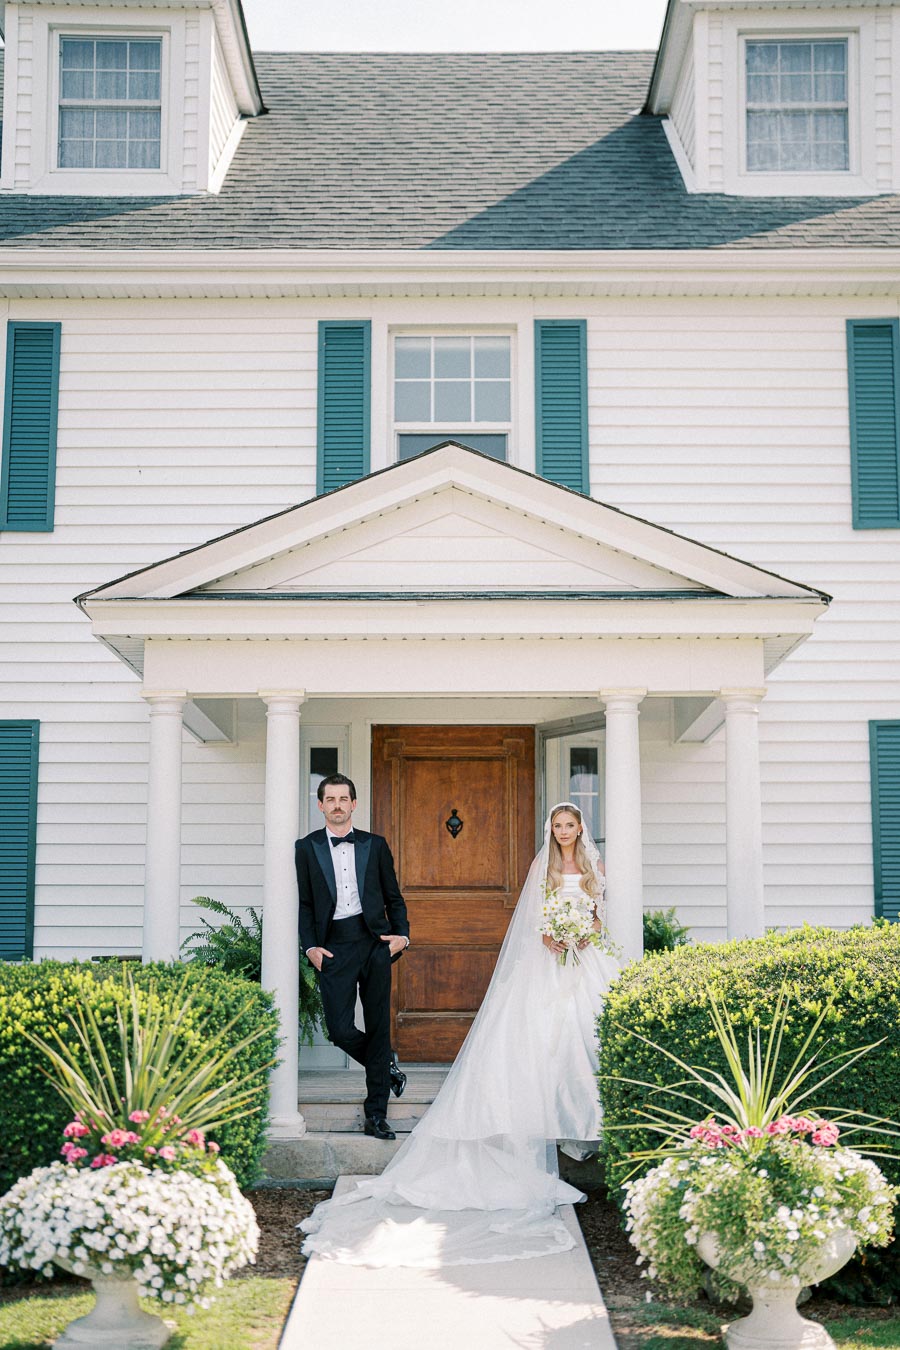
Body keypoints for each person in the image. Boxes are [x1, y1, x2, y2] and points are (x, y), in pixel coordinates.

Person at [300, 801, 620, 1267]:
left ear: (580, 828)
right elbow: (534, 914)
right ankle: (383, 1064)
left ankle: (580, 1115)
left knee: (580, 1034)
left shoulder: (594, 866)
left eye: (571, 825)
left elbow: (597, 913)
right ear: (551, 829)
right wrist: (551, 935)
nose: (565, 832)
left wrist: (583, 934)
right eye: (558, 825)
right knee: (537, 1037)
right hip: (546, 958)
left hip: (583, 958)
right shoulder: (542, 864)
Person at [296, 773, 410, 1141]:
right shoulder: (307, 847)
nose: (338, 806)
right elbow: (305, 902)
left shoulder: (375, 845)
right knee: (339, 1029)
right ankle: (386, 1067)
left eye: (344, 799)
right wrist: (310, 947)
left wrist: (402, 936)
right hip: (334, 948)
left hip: (374, 942)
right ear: (321, 806)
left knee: (378, 1027)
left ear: (354, 804)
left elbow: (394, 896)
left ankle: (376, 1115)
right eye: (330, 800)